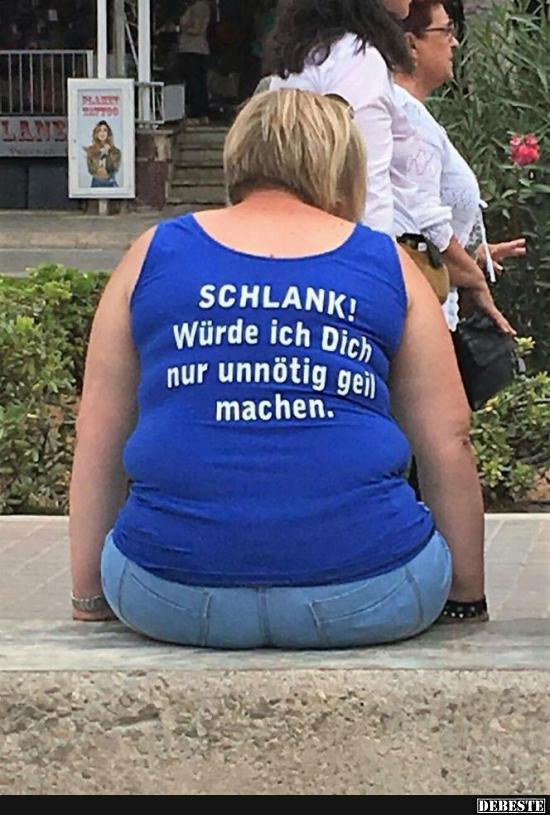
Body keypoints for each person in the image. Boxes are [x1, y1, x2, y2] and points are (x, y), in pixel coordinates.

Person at [70, 89, 488, 647]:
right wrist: (465, 597)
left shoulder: (153, 252)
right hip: (372, 588)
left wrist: (90, 598)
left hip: (166, 592)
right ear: (342, 165)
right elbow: (449, 441)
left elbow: (98, 434)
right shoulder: (386, 262)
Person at [266, 0, 514, 334]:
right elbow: (369, 195)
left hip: (308, 264)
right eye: (446, 31)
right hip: (359, 283)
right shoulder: (357, 60)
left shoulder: (313, 54)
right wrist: (383, 294)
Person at [394, 0, 525, 333]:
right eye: (446, 30)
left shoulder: (413, 114)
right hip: (423, 316)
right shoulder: (407, 117)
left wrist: (472, 254)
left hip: (433, 307)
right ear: (411, 44)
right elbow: (422, 221)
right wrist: (474, 279)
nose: (454, 42)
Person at [178, 0, 211, 124]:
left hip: (193, 49)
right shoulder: (199, 7)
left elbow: (198, 29)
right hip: (195, 50)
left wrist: (180, 28)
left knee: (194, 82)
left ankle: (197, 113)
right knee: (197, 82)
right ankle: (201, 113)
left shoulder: (199, 7)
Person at [85, 121, 121, 189]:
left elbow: (114, 169)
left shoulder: (115, 151)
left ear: (108, 133)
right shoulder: (91, 150)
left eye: (105, 130)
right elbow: (91, 170)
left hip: (110, 182)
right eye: (99, 130)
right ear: (96, 133)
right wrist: (101, 154)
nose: (102, 133)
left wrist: (108, 153)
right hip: (96, 182)